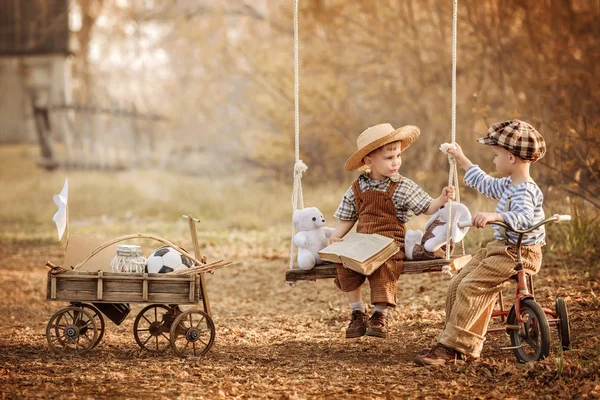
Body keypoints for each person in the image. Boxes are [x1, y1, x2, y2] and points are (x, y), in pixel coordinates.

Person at [414, 119, 547, 365]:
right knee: (458, 283)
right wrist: (462, 159)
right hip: (501, 249)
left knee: (472, 287)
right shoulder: (510, 184)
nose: (494, 160)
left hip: (520, 253)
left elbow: (525, 218)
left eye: (496, 155)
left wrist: (495, 216)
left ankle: (455, 349)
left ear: (511, 157)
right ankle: (451, 340)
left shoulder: (525, 190)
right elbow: (485, 183)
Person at [330, 123, 455, 339]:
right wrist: (336, 236)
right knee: (345, 263)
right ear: (369, 162)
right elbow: (347, 218)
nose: (396, 161)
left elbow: (427, 207)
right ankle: (357, 311)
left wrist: (441, 199)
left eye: (398, 155)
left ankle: (380, 314)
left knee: (385, 266)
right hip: (363, 242)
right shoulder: (357, 188)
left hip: (391, 241)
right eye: (389, 158)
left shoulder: (403, 186)